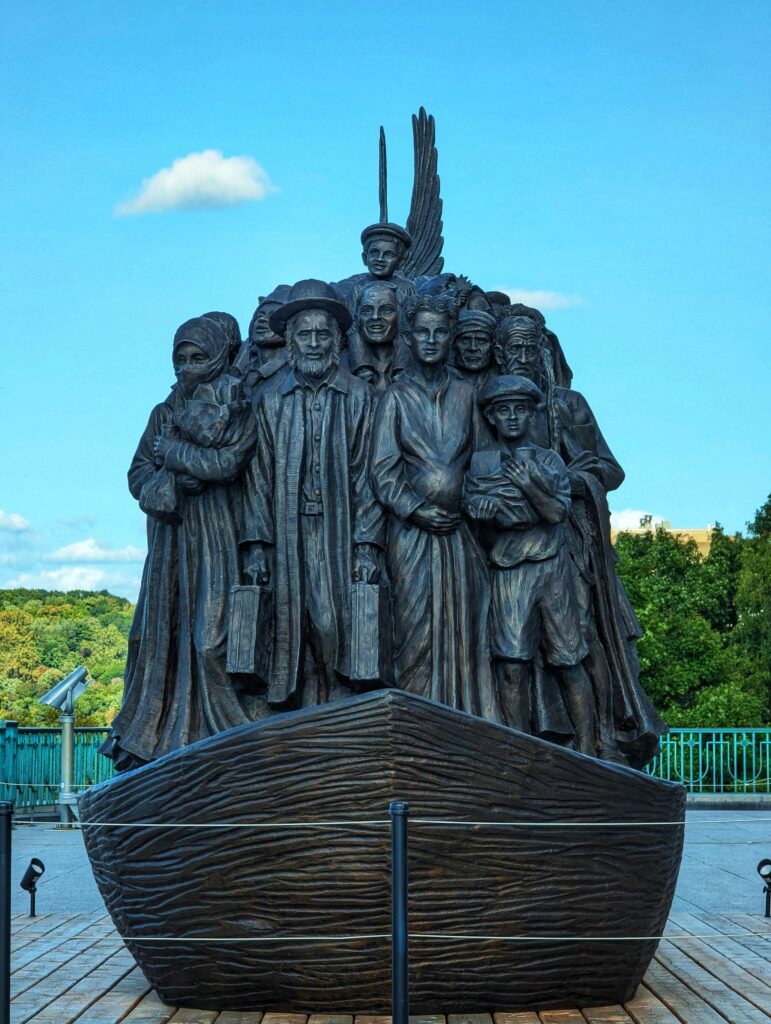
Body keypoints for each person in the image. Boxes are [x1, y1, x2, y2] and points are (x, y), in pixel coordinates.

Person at [493, 310, 665, 766]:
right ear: (501, 354)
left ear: (543, 353)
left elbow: (610, 469)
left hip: (569, 540)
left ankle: (603, 737)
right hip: (508, 545)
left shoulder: (567, 405)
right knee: (513, 651)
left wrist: (562, 480)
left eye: (530, 349)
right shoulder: (496, 403)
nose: (523, 357)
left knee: (581, 639)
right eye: (514, 349)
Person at [102, 317, 260, 771]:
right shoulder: (163, 412)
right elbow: (138, 473)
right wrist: (174, 482)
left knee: (211, 639)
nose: (188, 367)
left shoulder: (237, 403)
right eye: (181, 359)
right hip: (171, 538)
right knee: (157, 636)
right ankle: (153, 741)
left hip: (217, 534)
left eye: (198, 357)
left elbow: (228, 463)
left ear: (219, 357)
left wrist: (172, 455)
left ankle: (228, 742)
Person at [241, 279, 385, 708]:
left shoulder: (361, 397)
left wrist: (367, 545)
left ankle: (339, 711)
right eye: (305, 334)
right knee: (289, 623)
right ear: (290, 341)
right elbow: (258, 477)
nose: (315, 343)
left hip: (340, 530)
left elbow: (369, 476)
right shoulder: (269, 399)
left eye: (324, 334)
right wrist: (256, 546)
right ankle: (298, 718)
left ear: (338, 340)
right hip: (286, 532)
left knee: (331, 621)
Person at [370, 292, 499, 720]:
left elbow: (483, 461)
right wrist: (416, 509)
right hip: (411, 534)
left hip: (459, 534)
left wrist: (475, 500)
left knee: (465, 629)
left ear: (450, 337)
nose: (430, 340)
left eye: (440, 332)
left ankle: (462, 725)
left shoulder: (466, 394)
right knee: (414, 630)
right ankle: (415, 725)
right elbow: (383, 471)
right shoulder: (394, 398)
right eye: (422, 332)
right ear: (408, 337)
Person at [465, 375, 596, 754]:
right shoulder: (482, 462)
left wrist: (527, 488)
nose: (511, 417)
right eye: (503, 410)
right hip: (509, 572)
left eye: (519, 410)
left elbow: (555, 513)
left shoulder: (548, 459)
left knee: (568, 661)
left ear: (530, 414)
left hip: (551, 571)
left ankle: (589, 750)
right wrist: (490, 515)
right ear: (491, 417)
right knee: (512, 664)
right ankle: (519, 751)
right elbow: (486, 524)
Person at [344, 279, 413, 392]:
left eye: (386, 310)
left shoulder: (420, 365)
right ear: (357, 317)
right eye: (367, 311)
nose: (375, 317)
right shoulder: (338, 367)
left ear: (401, 317)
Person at [233, 285, 292, 398]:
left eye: (272, 316)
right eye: (260, 315)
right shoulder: (242, 373)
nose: (262, 319)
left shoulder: (294, 374)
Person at [452, 308, 498, 393]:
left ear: (492, 345)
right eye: (465, 340)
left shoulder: (500, 383)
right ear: (453, 344)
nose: (473, 348)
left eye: (481, 341)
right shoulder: (442, 382)